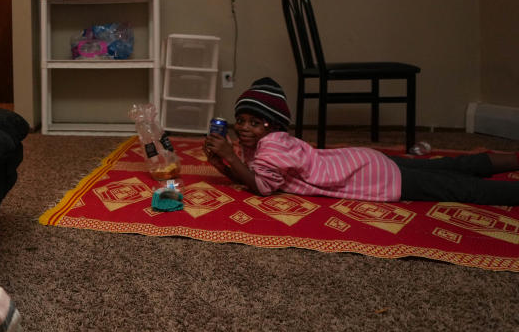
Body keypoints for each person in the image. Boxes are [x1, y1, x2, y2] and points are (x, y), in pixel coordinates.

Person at [204, 77, 519, 205]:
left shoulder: (271, 148)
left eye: (254, 123)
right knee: (448, 167)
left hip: (373, 176)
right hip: (364, 160)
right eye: (241, 120)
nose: (244, 128)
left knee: (455, 187)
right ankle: (510, 159)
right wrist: (224, 162)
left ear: (271, 126)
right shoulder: (270, 142)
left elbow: (262, 187)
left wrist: (230, 158)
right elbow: (250, 174)